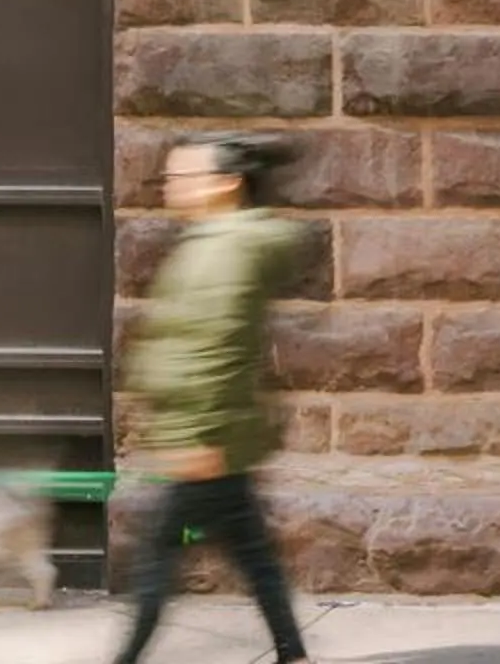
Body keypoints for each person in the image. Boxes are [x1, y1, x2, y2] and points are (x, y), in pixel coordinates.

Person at [111, 132, 310, 664]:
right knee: (252, 552)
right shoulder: (213, 244)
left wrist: (203, 434)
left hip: (205, 438)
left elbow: (217, 343)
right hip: (211, 434)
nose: (170, 187)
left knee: (156, 558)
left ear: (226, 184)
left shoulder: (224, 253)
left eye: (182, 177)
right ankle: (294, 655)